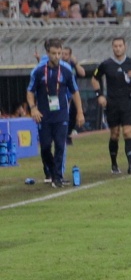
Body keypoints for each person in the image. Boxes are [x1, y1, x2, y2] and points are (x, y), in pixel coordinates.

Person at [26, 38, 85, 188]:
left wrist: (80, 112)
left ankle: (57, 177)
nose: (57, 56)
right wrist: (33, 108)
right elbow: (30, 91)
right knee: (45, 147)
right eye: (54, 53)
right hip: (44, 116)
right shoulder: (39, 71)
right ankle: (52, 171)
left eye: (59, 53)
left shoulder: (66, 71)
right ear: (48, 53)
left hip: (61, 115)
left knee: (60, 145)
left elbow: (75, 92)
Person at [91, 37, 131, 174]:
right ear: (112, 47)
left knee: (128, 132)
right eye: (115, 46)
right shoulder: (106, 64)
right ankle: (114, 164)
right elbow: (94, 78)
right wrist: (100, 95)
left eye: (120, 46)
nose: (118, 48)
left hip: (127, 102)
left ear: (125, 47)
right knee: (115, 134)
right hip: (112, 103)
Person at [62, 46, 86, 145]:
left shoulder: (72, 65)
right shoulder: (59, 65)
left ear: (70, 55)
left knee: (73, 114)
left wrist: (76, 63)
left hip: (73, 93)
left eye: (66, 54)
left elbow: (83, 73)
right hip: (63, 93)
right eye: (62, 53)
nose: (63, 56)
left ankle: (68, 133)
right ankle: (64, 136)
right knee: (64, 115)